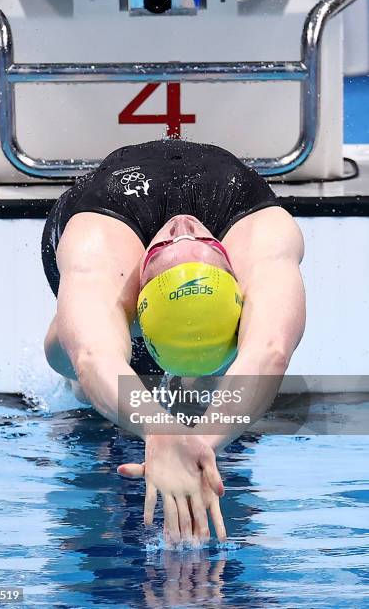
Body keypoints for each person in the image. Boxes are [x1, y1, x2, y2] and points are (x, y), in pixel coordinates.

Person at [41, 139, 306, 546]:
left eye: (200, 244)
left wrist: (201, 442)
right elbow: (93, 355)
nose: (184, 225)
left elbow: (268, 351)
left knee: (231, 357)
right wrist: (158, 430)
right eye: (168, 245)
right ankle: (123, 364)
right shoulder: (96, 240)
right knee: (69, 350)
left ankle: (199, 375)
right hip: (115, 220)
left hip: (196, 303)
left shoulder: (265, 246)